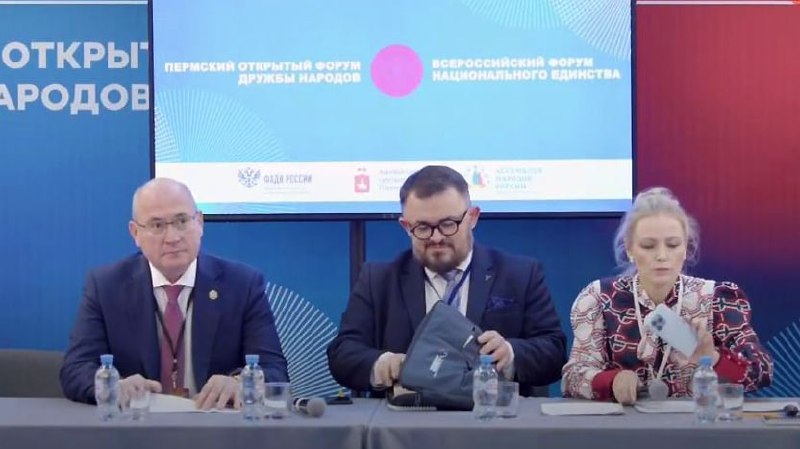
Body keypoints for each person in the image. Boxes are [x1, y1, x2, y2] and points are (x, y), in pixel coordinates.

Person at [327, 165, 566, 397]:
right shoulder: (378, 280)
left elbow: (554, 352)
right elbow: (343, 354)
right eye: (423, 227)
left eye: (448, 224)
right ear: (406, 226)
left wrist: (510, 354)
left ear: (472, 217)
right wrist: (385, 365)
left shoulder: (520, 274)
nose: (437, 237)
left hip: (490, 415)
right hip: (406, 417)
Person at [60, 178, 288, 409]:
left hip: (214, 423)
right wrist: (114, 386)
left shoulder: (242, 284)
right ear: (135, 233)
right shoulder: (106, 286)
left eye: (182, 221)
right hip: (138, 424)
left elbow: (274, 370)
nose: (172, 238)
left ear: (200, 223)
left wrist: (240, 383)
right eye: (157, 225)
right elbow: (76, 368)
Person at [562, 187, 773, 404]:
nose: (662, 255)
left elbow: (761, 370)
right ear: (630, 249)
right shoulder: (600, 298)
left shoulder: (715, 299)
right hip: (622, 422)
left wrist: (713, 358)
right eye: (648, 246)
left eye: (673, 245)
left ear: (686, 248)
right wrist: (611, 381)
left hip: (697, 422)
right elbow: (573, 377)